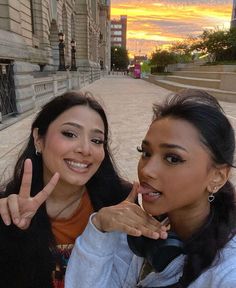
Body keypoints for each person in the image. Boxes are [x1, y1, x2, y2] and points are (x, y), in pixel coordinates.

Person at [66, 89, 236, 288]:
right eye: (145, 153)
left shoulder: (227, 273)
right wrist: (100, 227)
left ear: (217, 176)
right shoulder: (140, 232)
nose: (147, 170)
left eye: (173, 158)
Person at [0, 91, 138, 288]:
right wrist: (11, 233)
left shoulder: (119, 199)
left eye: (97, 140)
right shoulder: (8, 211)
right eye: (70, 134)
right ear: (39, 138)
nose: (85, 149)